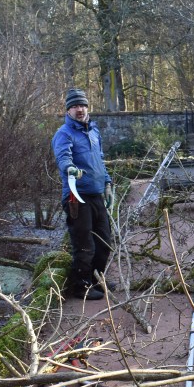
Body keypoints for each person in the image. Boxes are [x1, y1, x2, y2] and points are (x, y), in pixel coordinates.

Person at [52, 88, 114, 301]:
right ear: (68, 110)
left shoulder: (94, 131)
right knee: (84, 243)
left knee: (104, 241)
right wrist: (69, 168)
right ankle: (82, 286)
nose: (79, 109)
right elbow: (63, 157)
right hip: (76, 196)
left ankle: (97, 279)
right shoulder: (64, 134)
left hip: (96, 194)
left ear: (88, 107)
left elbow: (100, 160)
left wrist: (107, 183)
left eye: (82, 105)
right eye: (75, 106)